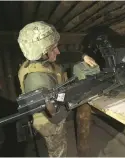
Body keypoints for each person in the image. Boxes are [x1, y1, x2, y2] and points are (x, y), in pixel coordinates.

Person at [17, 21, 97, 157]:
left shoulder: (39, 61)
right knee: (58, 151)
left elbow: (62, 56)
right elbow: (55, 114)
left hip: (52, 108)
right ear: (42, 53)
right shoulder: (38, 80)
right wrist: (75, 96)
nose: (58, 51)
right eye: (53, 48)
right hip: (49, 122)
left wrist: (82, 56)